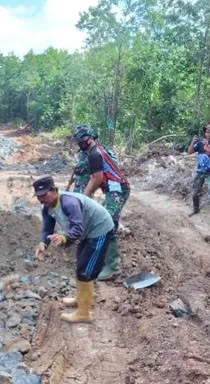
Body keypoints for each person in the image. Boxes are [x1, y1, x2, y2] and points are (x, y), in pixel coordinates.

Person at [33, 176, 117, 324]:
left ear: (54, 190)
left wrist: (64, 238)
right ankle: (80, 299)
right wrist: (43, 244)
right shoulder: (47, 207)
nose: (42, 199)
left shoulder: (69, 203)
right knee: (80, 266)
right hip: (88, 232)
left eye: (44, 195)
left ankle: (84, 313)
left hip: (100, 229)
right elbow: (47, 228)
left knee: (86, 271)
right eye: (39, 196)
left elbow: (77, 229)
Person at [73, 125, 130, 280]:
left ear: (90, 138)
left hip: (118, 190)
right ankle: (103, 259)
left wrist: (84, 197)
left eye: (82, 139)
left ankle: (112, 267)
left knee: (108, 224)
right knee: (105, 222)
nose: (80, 142)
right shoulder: (92, 152)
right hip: (112, 190)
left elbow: (96, 179)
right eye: (78, 140)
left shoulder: (94, 154)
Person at [187, 124, 210, 219]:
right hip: (200, 172)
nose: (207, 134)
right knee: (195, 191)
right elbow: (190, 152)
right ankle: (195, 209)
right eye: (206, 132)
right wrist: (192, 142)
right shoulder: (200, 143)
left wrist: (208, 146)